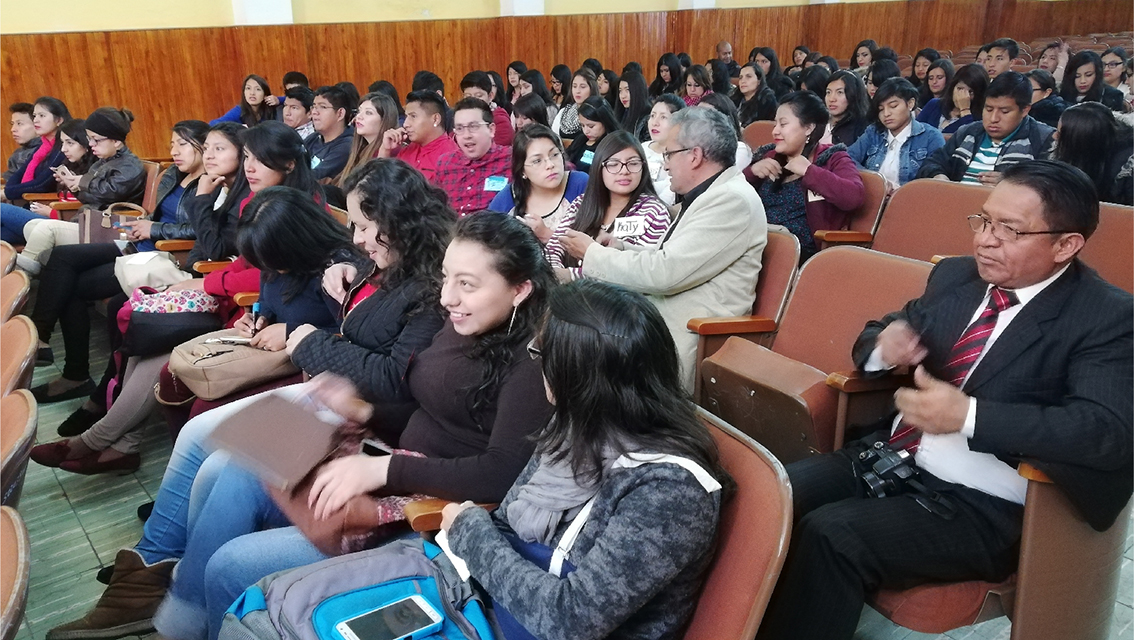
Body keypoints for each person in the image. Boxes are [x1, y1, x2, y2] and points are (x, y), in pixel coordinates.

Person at [108, 212, 555, 639]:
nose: (447, 298)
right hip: (393, 462)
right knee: (241, 464)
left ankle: (191, 612)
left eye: (467, 284)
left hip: (428, 511)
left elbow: (502, 472)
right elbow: (427, 402)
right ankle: (178, 610)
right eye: (446, 277)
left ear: (519, 289)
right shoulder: (463, 324)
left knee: (231, 563)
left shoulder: (531, 365)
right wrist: (362, 411)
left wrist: (382, 470)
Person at [755, 160, 1133, 640]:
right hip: (891, 455)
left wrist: (970, 416)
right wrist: (882, 347)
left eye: (1010, 230)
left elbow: (1105, 432)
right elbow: (882, 330)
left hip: (986, 501)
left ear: (1066, 245)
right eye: (984, 221)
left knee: (834, 535)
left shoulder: (1108, 317)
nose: (985, 240)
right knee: (772, 493)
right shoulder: (958, 277)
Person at [435, 277, 728, 640]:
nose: (537, 363)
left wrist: (468, 530)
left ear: (575, 376)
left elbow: (568, 622)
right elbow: (508, 522)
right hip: (490, 609)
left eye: (541, 352)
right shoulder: (578, 422)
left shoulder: (670, 492)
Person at [562, 107, 766, 389]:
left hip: (689, 334)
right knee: (569, 331)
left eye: (668, 154)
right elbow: (670, 259)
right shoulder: (712, 193)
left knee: (575, 352)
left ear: (694, 156)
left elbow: (667, 273)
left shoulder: (731, 200)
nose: (665, 164)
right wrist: (622, 247)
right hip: (660, 319)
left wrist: (593, 253)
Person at [28, 120, 207, 407]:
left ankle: (72, 372)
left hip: (159, 257)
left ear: (204, 146)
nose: (174, 151)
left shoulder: (208, 184)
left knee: (71, 286)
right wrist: (146, 224)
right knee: (61, 259)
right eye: (172, 144)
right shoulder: (173, 174)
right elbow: (155, 215)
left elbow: (197, 230)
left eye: (182, 144)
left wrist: (155, 230)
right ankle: (41, 339)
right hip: (137, 246)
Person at [746, 91, 864, 259]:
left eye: (783, 124)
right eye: (775, 124)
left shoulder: (833, 158)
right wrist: (751, 173)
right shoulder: (769, 156)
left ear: (809, 127)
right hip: (757, 242)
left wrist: (810, 171)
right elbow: (733, 198)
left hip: (799, 253)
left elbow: (854, 197)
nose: (775, 131)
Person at [546, 132, 670, 282]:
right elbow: (554, 246)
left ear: (643, 167)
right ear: (599, 167)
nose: (624, 171)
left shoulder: (654, 212)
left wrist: (570, 276)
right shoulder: (581, 203)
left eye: (633, 163)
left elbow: (636, 270)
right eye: (613, 164)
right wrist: (556, 273)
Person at [919, 72, 1055, 185]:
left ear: (1025, 110)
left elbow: (1053, 185)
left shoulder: (1043, 139)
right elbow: (932, 163)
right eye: (988, 109)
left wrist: (1013, 184)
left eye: (1005, 111)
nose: (994, 118)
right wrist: (938, 176)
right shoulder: (968, 132)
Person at [1, 118, 92, 250]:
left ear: (86, 144)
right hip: (51, 218)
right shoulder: (69, 165)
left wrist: (52, 212)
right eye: (62, 143)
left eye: (70, 143)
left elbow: (91, 208)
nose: (64, 149)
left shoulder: (94, 171)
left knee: (1, 209)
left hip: (62, 222)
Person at [489, 124, 587, 244]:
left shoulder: (580, 184)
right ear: (522, 171)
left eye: (555, 155)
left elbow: (595, 246)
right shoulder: (508, 198)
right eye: (537, 161)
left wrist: (546, 234)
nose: (550, 164)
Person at [848, 78, 945, 191]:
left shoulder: (931, 137)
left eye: (893, 106)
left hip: (911, 202)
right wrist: (875, 180)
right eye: (880, 109)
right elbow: (848, 159)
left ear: (910, 103)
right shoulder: (874, 132)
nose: (886, 113)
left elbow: (936, 177)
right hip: (874, 197)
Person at [432, 97, 512, 215]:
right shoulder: (445, 163)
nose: (466, 135)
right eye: (459, 128)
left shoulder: (512, 159)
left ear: (491, 129)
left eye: (473, 127)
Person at [1053, 102, 1133, 205]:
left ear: (1080, 142)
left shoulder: (1127, 171)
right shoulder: (1067, 154)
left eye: (1060, 135)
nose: (1054, 137)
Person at [375, 90, 457, 181]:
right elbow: (380, 185)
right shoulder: (407, 150)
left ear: (435, 119)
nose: (406, 124)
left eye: (413, 116)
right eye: (406, 117)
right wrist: (385, 150)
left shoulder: (451, 156)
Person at [3, 96, 70, 203]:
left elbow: (42, 184)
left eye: (42, 116)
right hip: (31, 202)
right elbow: (18, 175)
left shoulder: (63, 147)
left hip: (50, 206)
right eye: (35, 116)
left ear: (59, 120)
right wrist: (7, 191)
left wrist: (6, 193)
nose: (36, 120)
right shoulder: (42, 147)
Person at [336, 92, 398, 190]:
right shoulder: (360, 148)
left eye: (368, 113)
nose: (359, 117)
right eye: (359, 111)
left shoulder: (392, 151)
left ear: (384, 120)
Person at [303, 85, 356, 183]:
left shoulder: (347, 146)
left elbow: (314, 178)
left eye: (322, 107)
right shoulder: (313, 138)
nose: (314, 112)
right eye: (314, 107)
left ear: (340, 114)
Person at [917, 63, 989, 134]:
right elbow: (914, 130)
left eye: (970, 92)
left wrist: (965, 110)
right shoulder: (935, 104)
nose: (963, 96)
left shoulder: (980, 119)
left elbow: (970, 138)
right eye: (960, 89)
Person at [642, 94, 685, 205]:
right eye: (652, 116)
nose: (655, 122)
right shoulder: (641, 148)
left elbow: (669, 196)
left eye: (663, 117)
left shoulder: (681, 156)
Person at [564, 97, 619, 174]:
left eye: (591, 126)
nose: (586, 131)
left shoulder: (612, 145)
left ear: (605, 122)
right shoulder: (580, 140)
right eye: (582, 125)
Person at [460, 70, 516, 147]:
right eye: (468, 96)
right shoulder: (460, 118)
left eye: (478, 96)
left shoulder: (500, 120)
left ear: (490, 96)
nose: (473, 100)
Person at [1059, 50, 1127, 112]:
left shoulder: (1112, 96)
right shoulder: (1061, 95)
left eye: (1088, 75)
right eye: (1077, 76)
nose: (1082, 81)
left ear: (1098, 74)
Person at [699, 93, 753, 168]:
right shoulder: (692, 144)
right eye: (697, 113)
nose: (699, 119)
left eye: (708, 115)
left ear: (725, 120)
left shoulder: (739, 149)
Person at [822, 70, 870, 146]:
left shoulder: (862, 128)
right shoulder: (819, 123)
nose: (832, 99)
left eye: (840, 92)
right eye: (828, 92)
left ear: (853, 95)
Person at [210, 74, 277, 126]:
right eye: (248, 88)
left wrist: (277, 100)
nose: (252, 93)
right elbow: (213, 124)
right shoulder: (239, 110)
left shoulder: (270, 108)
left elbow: (286, 98)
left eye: (258, 89)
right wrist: (237, 128)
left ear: (265, 95)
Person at [551, 68, 599, 139]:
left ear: (592, 88)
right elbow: (553, 137)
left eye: (582, 87)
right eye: (574, 86)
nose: (577, 91)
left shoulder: (599, 112)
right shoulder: (564, 112)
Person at [735, 63, 779, 127]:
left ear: (759, 81)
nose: (743, 81)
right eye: (740, 77)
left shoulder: (767, 101)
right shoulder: (734, 99)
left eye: (748, 76)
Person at [4, 102, 39, 181]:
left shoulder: (43, 152)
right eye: (12, 124)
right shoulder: (18, 153)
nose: (13, 129)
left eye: (19, 124)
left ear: (37, 125)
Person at [615, 70, 651, 141]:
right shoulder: (622, 113)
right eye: (620, 91)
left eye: (627, 90)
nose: (622, 96)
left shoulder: (648, 118)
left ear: (638, 90)